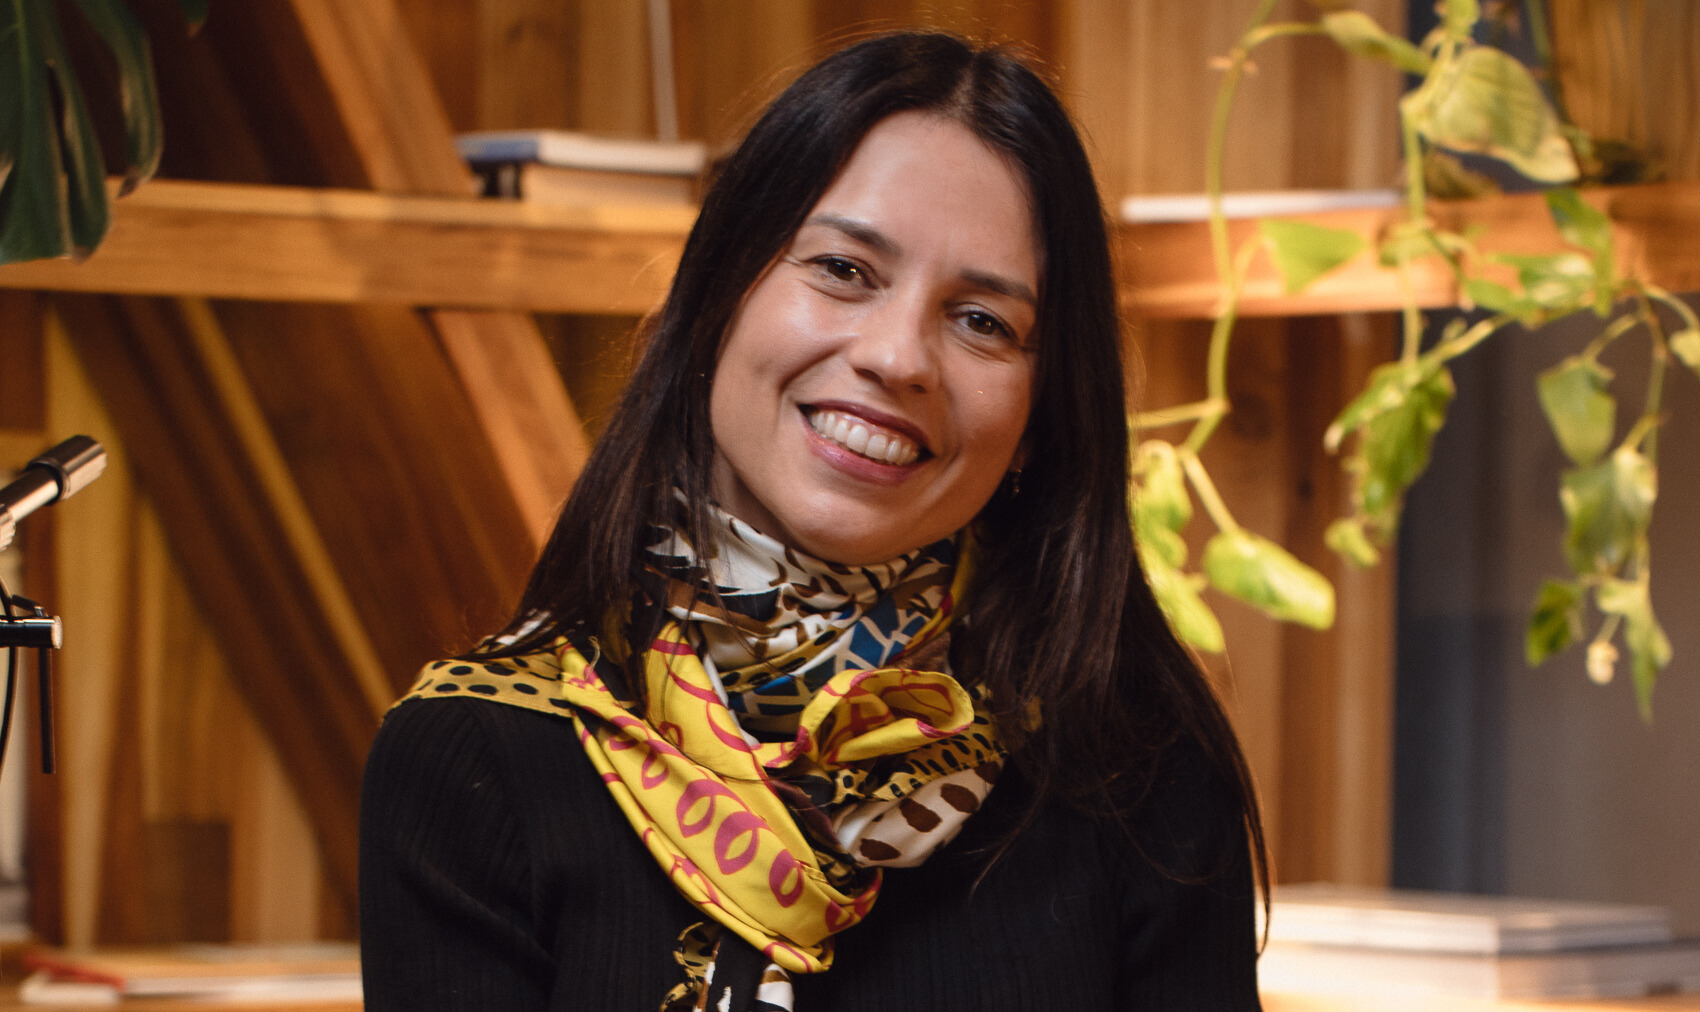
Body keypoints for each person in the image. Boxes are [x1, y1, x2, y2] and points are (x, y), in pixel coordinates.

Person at [359, 31, 1266, 1012]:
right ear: (717, 296)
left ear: (1041, 419)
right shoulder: (472, 757)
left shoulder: (1137, 771)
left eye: (983, 321)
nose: (898, 357)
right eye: (843, 268)